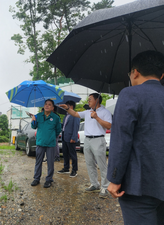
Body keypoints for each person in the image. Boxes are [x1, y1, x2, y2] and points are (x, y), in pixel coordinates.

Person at [107, 50, 164, 224]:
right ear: (162, 75)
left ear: (135, 72)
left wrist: (115, 179)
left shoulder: (130, 94)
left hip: (139, 186)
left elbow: (121, 140)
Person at [59, 93, 112, 198]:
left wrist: (96, 117)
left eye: (90, 99)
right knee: (90, 163)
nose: (88, 101)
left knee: (102, 165)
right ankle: (95, 184)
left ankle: (105, 187)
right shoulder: (88, 112)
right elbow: (75, 114)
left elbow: (109, 125)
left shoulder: (105, 112)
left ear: (97, 100)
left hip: (98, 139)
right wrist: (67, 108)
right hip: (87, 140)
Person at [30, 99, 61, 188]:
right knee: (38, 162)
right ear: (44, 106)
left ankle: (49, 179)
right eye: (46, 104)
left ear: (52, 107)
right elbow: (33, 126)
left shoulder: (56, 117)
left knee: (50, 162)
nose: (47, 106)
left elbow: (58, 130)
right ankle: (36, 178)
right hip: (40, 143)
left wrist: (51, 137)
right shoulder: (38, 116)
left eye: (49, 104)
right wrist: (33, 120)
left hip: (51, 144)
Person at [57, 101, 80, 178]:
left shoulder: (75, 115)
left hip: (71, 138)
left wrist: (73, 137)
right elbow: (64, 126)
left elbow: (76, 127)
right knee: (65, 153)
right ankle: (66, 168)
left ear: (71, 106)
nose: (65, 107)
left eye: (66, 105)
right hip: (64, 137)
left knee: (72, 155)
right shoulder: (66, 115)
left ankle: (74, 170)